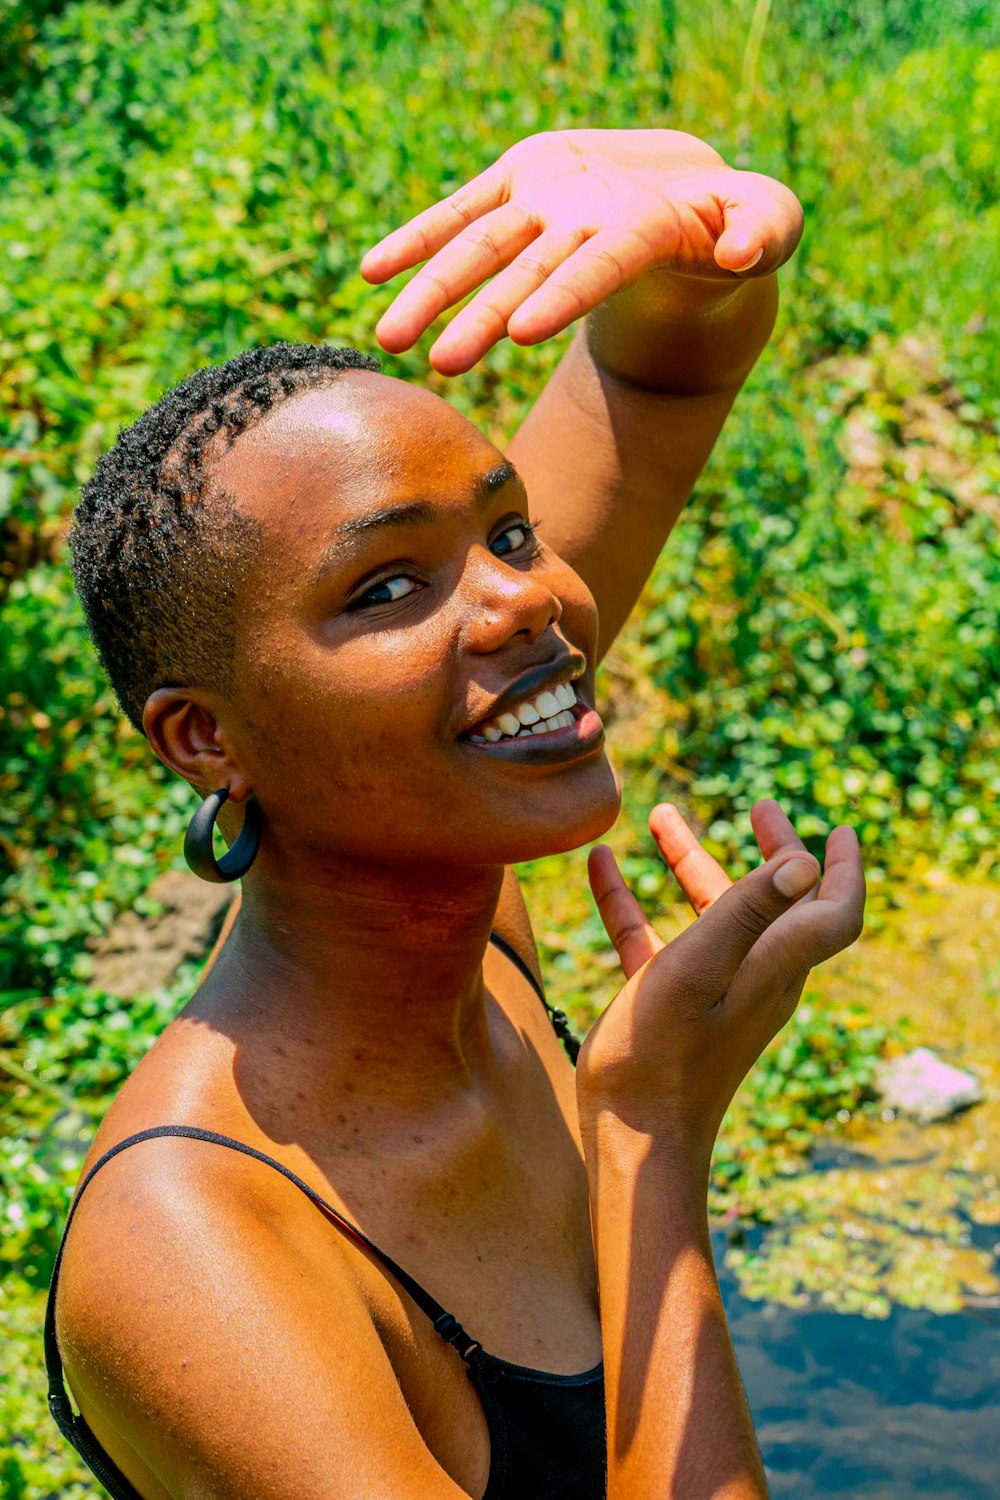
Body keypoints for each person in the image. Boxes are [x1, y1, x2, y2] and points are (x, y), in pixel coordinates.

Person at [45, 128, 864, 1498]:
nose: (527, 600)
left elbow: (656, 367)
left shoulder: (453, 886)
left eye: (508, 529)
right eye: (385, 589)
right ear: (207, 738)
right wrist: (650, 1134)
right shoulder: (195, 1244)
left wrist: (709, 238)